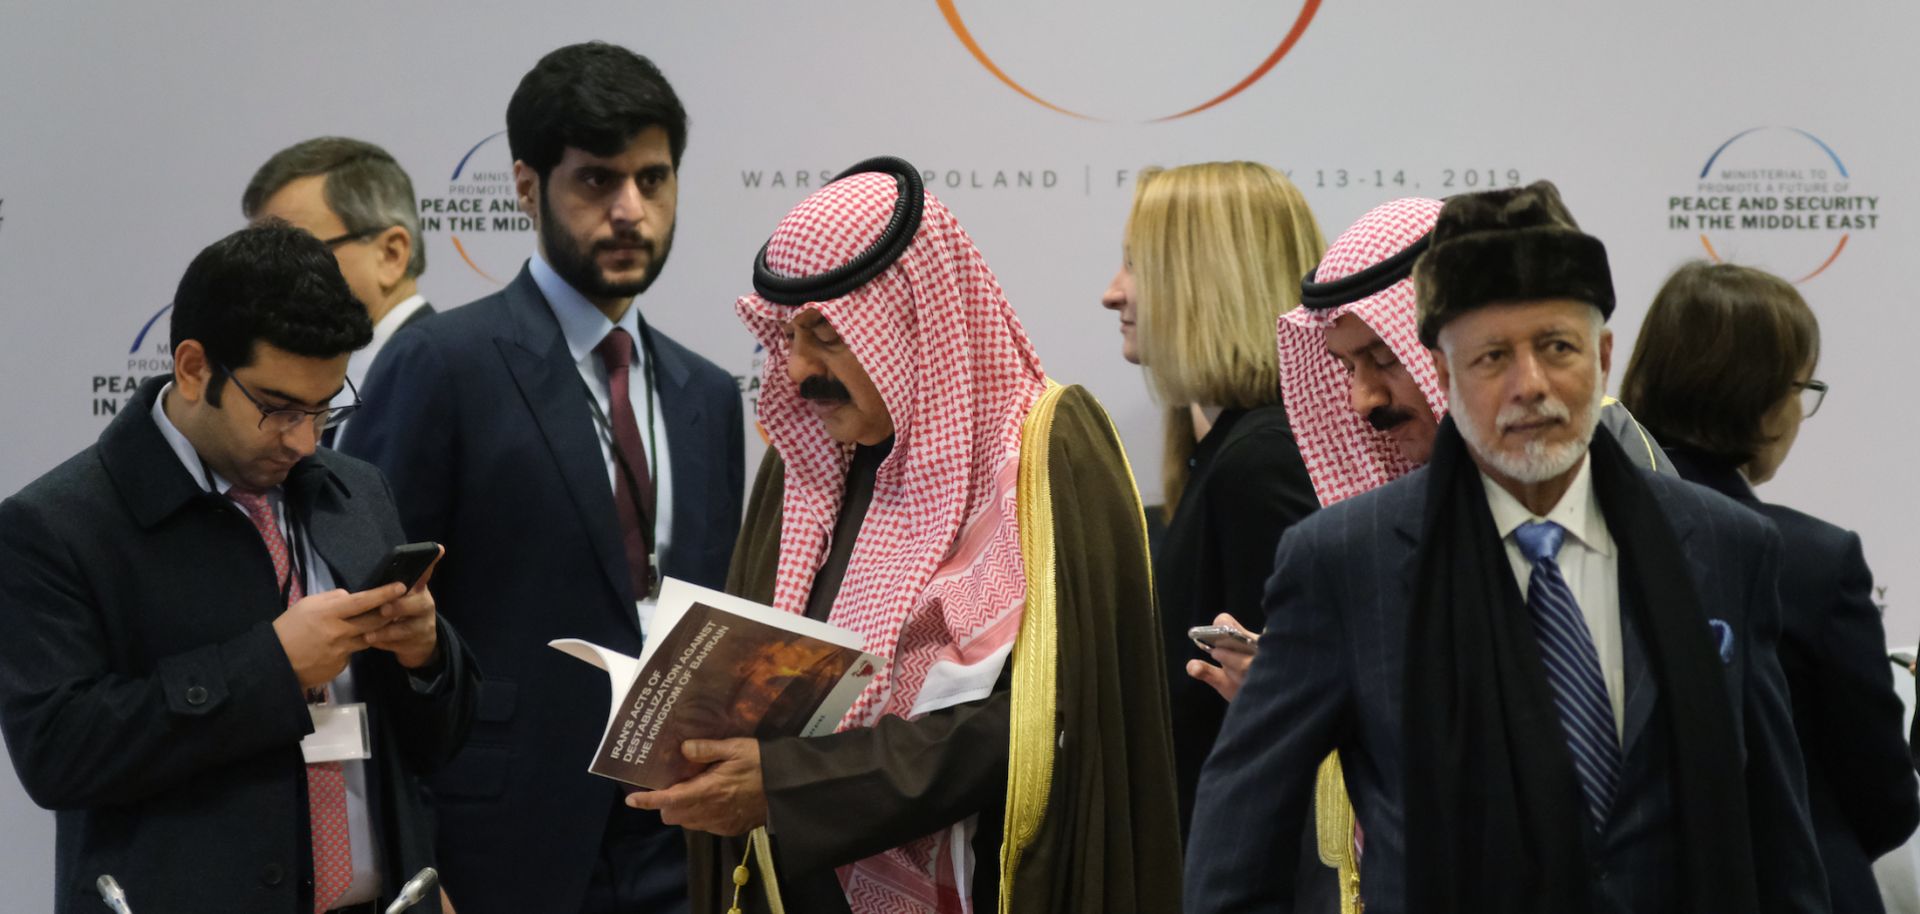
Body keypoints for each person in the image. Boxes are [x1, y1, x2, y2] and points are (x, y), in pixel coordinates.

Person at [1186, 181, 1827, 913]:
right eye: (1492, 357)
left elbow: (1780, 847)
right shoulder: (1343, 564)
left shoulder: (1724, 544)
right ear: (1444, 371)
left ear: (1604, 355)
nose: (1530, 386)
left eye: (1556, 347)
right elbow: (1236, 862)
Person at [629, 158, 1181, 914]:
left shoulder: (1044, 455)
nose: (794, 370)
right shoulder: (805, 465)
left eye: (826, 334)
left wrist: (790, 787)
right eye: (787, 334)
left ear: (910, 325)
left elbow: (1047, 719)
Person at [342, 43, 744, 914]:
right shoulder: (442, 363)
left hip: (684, 838)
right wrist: (411, 860)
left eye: (654, 179)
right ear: (527, 187)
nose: (631, 210)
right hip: (494, 844)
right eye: (598, 181)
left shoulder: (708, 395)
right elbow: (370, 624)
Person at [0, 222, 478, 913]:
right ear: (194, 368)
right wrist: (272, 667)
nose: (304, 440)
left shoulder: (356, 489)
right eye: (279, 409)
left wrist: (428, 655)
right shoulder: (57, 526)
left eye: (325, 408)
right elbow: (59, 755)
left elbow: (437, 745)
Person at [1621, 260, 1920, 913]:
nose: (1799, 412)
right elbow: (1887, 796)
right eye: (1799, 386)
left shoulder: (1575, 537)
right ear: (1755, 396)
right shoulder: (1812, 563)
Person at [1098, 161, 1323, 834]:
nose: (1113, 294)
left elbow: (1292, 727)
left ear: (1209, 280)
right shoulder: (1234, 453)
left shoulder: (1261, 461)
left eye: (1138, 265)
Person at [243, 137, 434, 445]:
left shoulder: (439, 378)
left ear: (391, 255)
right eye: (260, 258)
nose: (264, 283)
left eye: (295, 253)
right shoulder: (323, 387)